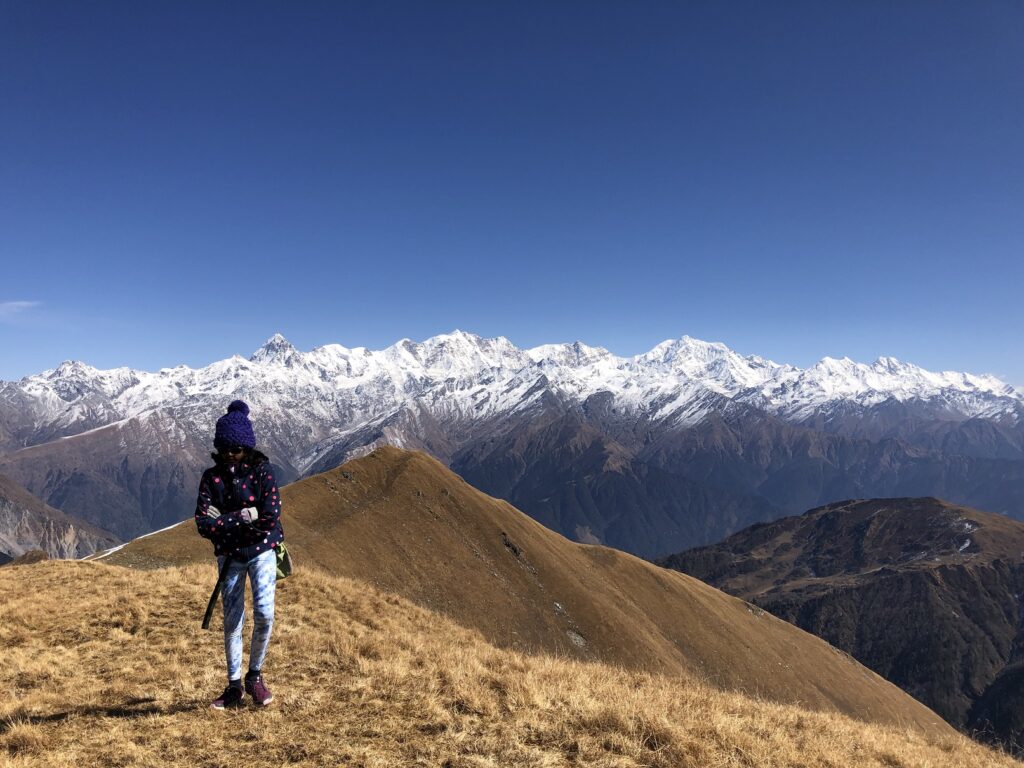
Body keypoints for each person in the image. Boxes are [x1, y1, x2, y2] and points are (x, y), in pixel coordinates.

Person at [194, 400, 284, 709]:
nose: (230, 456)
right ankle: (234, 686)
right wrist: (246, 515)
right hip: (231, 556)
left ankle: (254, 676)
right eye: (225, 450)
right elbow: (203, 524)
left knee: (264, 613)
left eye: (237, 450)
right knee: (232, 621)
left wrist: (225, 521)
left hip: (260, 553)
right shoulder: (211, 477)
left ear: (247, 448)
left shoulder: (263, 472)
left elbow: (270, 515)